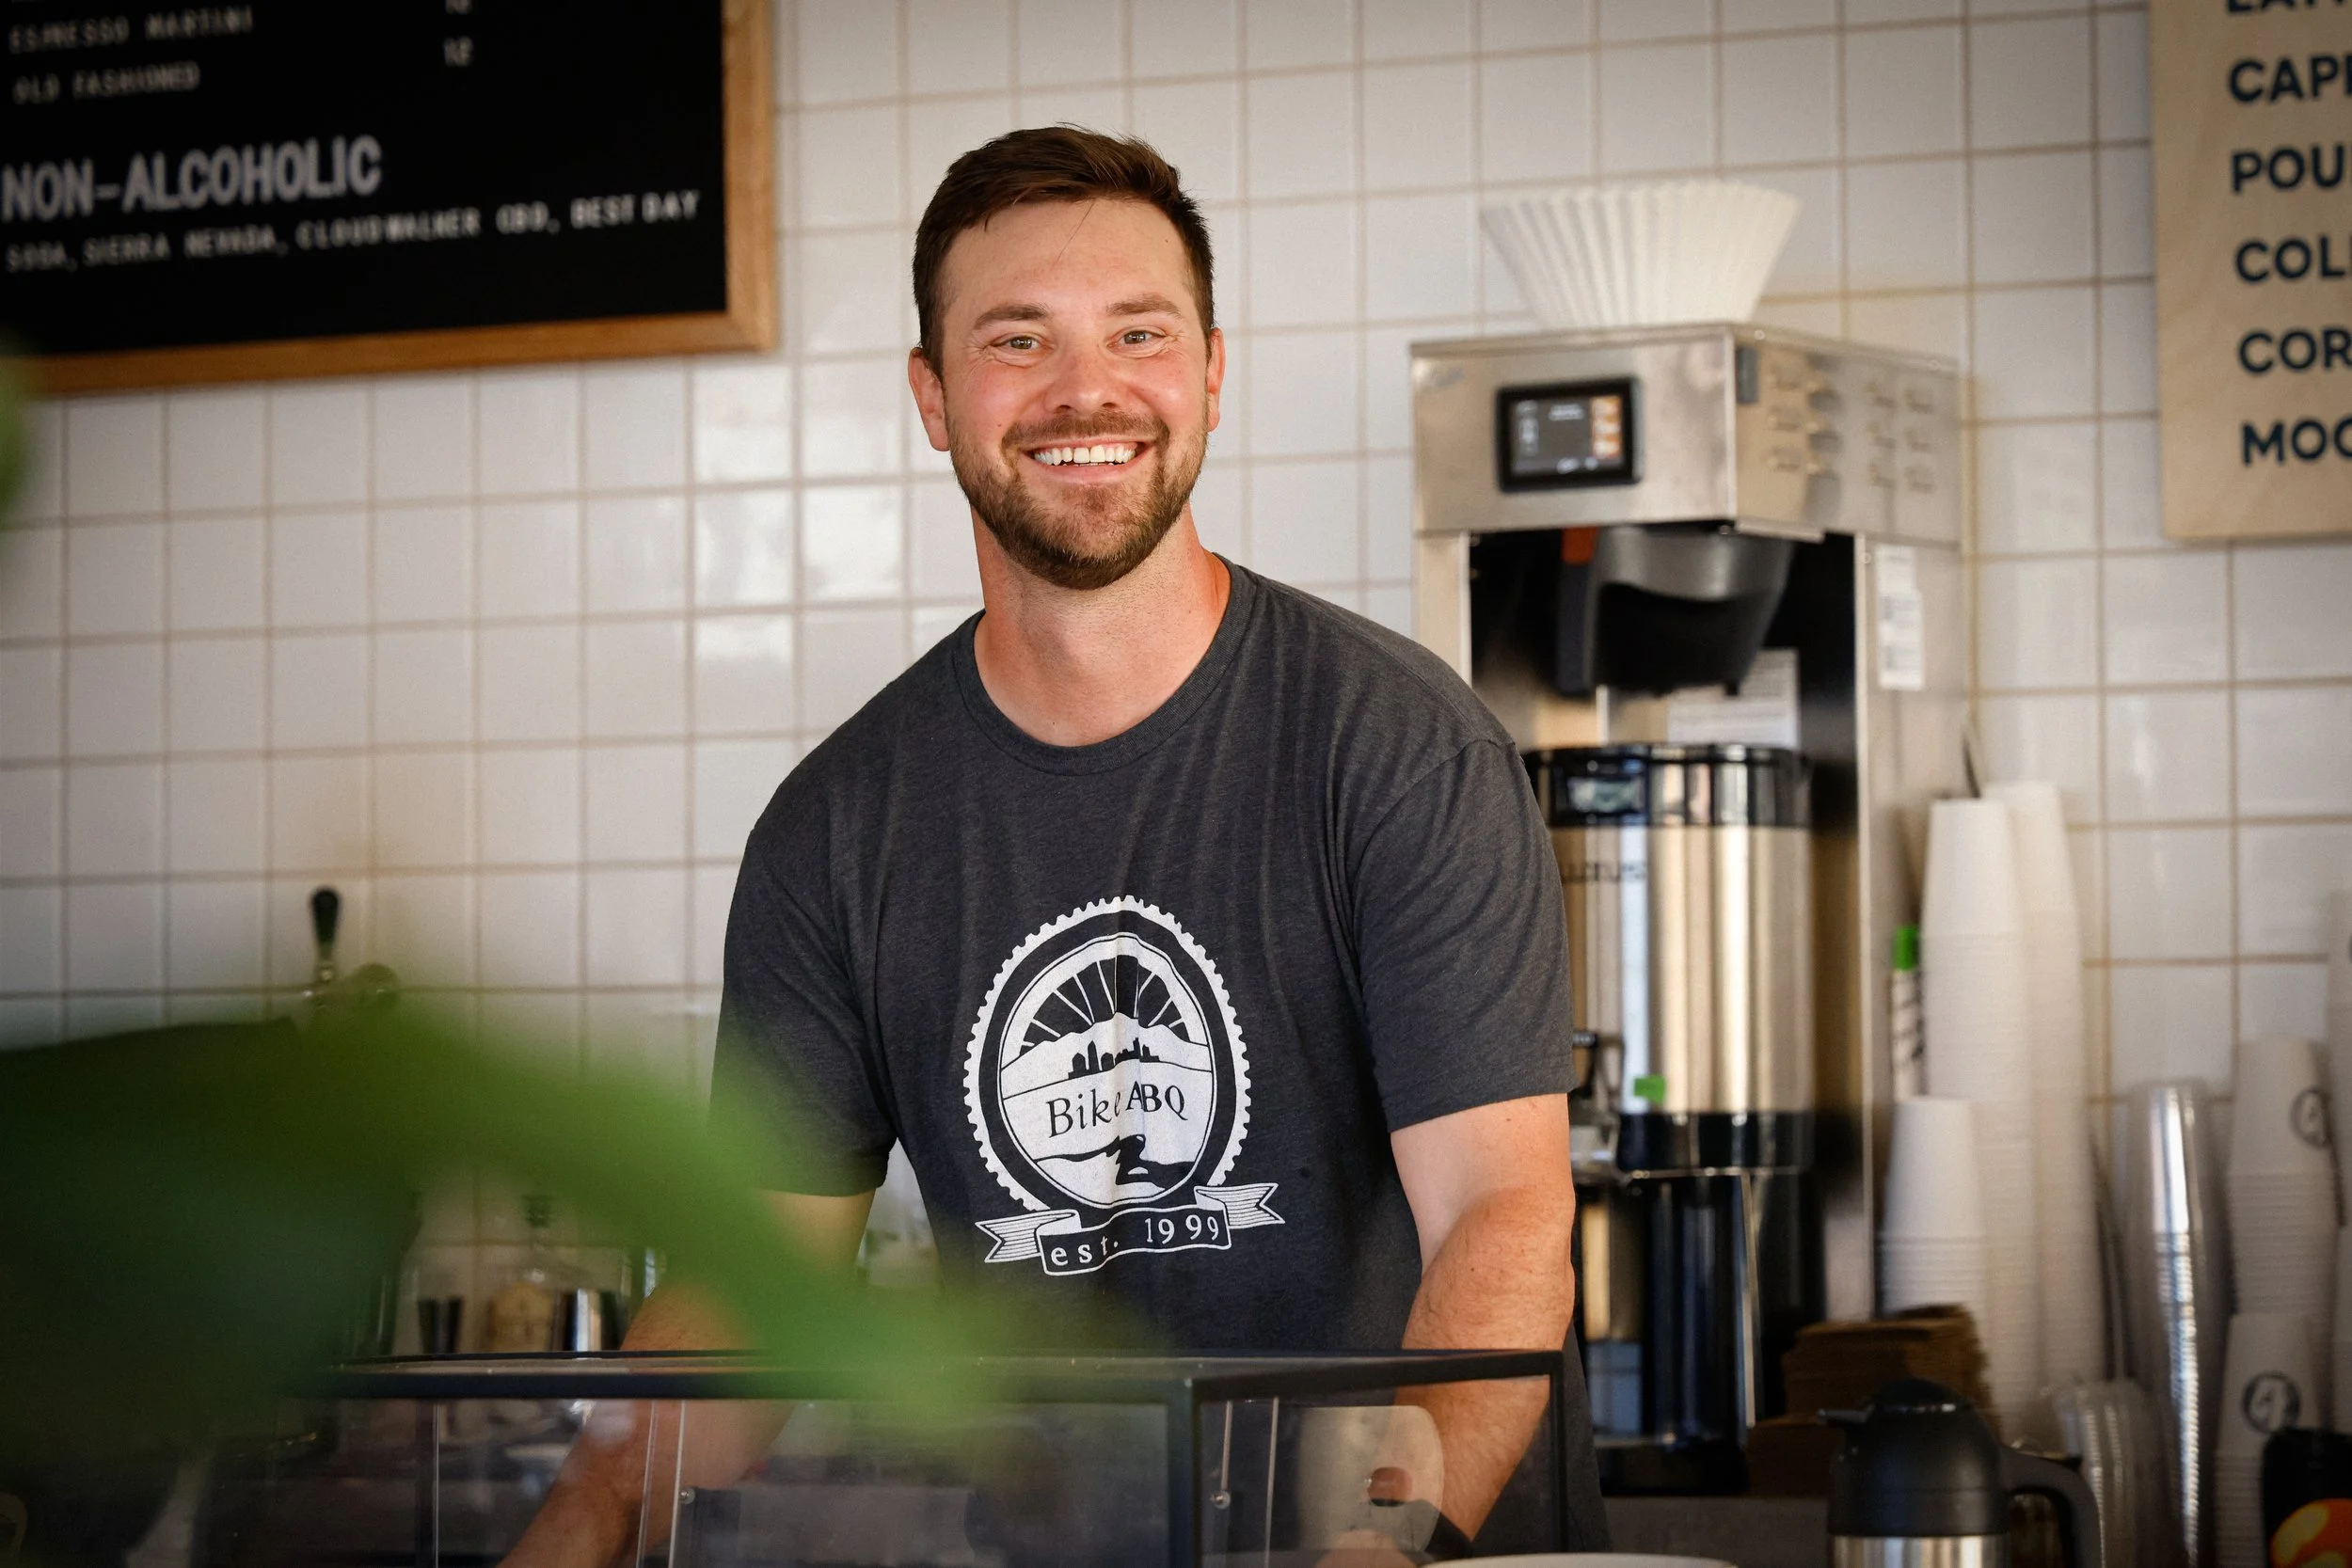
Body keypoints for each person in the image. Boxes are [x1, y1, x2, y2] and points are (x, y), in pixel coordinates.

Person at [509, 126, 1606, 1561]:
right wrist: (578, 1520)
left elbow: (1501, 1216)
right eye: (1018, 339)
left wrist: (1379, 1542)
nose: (1087, 388)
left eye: (1138, 333)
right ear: (933, 394)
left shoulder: (1399, 750)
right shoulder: (836, 832)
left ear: (1210, 372)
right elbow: (756, 1287)